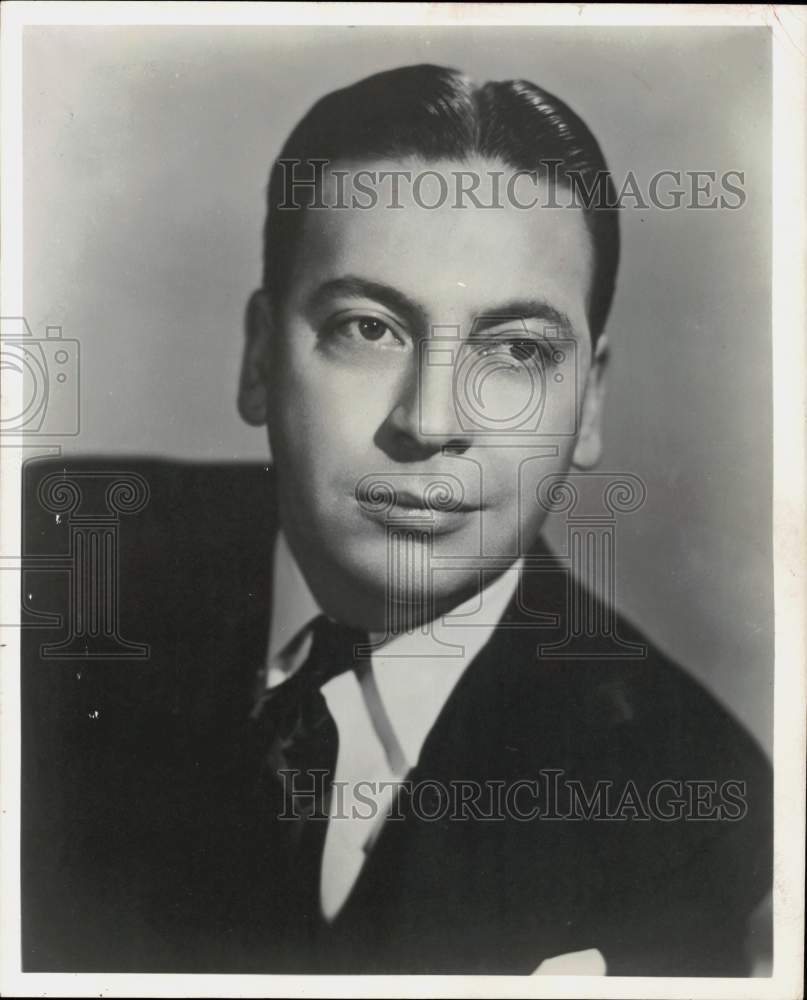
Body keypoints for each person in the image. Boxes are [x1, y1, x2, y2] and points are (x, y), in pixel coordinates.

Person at [21, 64, 771, 976]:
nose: (429, 420)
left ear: (589, 405)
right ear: (259, 358)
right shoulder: (51, 563)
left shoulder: (684, 805)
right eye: (368, 328)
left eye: (516, 350)